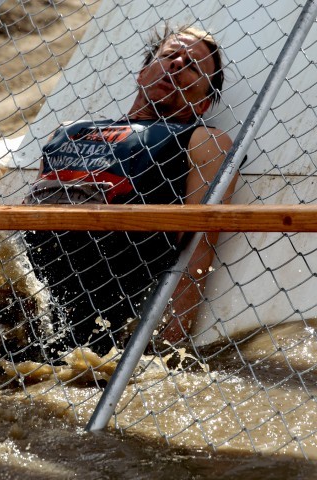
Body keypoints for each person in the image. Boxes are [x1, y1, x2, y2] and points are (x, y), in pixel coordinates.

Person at [23, 25, 235, 359]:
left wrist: (169, 345)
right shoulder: (68, 132)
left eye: (193, 66)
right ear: (141, 73)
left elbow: (199, 245)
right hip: (23, 300)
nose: (177, 64)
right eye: (169, 56)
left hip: (98, 319)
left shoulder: (201, 139)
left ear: (205, 102)